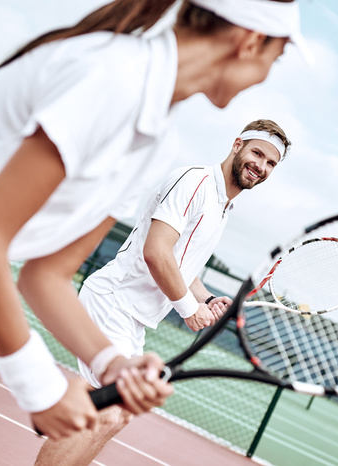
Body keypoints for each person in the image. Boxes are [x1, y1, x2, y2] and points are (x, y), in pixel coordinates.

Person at [0, 1, 310, 465]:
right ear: (250, 42)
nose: (265, 77)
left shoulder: (154, 141)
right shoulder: (115, 77)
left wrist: (112, 365)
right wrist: (39, 387)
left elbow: (45, 276)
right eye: (275, 59)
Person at [35, 119, 291, 466]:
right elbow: (156, 251)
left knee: (119, 413)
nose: (261, 166)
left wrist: (205, 299)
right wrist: (189, 309)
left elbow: (185, 265)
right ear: (237, 145)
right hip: (113, 302)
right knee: (108, 409)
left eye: (271, 163)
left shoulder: (224, 206)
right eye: (258, 153)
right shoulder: (195, 181)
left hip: (133, 317)